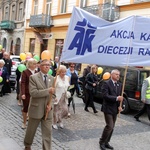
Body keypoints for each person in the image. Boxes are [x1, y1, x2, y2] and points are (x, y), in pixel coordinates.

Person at [24, 59, 55, 150]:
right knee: (31, 130)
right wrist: (48, 91)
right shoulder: (33, 78)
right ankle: (27, 145)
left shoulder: (52, 78)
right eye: (45, 65)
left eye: (48, 65)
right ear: (40, 66)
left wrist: (51, 104)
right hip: (36, 109)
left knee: (47, 133)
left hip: (48, 110)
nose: (47, 66)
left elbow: (53, 95)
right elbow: (33, 93)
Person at [99, 69, 123, 150]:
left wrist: (120, 106)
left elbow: (120, 97)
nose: (118, 76)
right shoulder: (106, 83)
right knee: (109, 126)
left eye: (119, 75)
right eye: (116, 74)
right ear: (112, 75)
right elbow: (105, 96)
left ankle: (106, 142)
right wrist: (116, 98)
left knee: (112, 127)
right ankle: (101, 142)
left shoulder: (119, 85)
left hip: (115, 109)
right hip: (107, 108)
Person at [21, 58, 37, 129]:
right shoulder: (25, 72)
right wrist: (23, 93)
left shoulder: (37, 72)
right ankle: (24, 122)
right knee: (26, 107)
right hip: (27, 93)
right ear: (30, 64)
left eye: (35, 64)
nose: (35, 65)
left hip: (35, 93)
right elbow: (23, 83)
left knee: (33, 108)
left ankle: (31, 122)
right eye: (34, 64)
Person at [52, 65, 70, 129]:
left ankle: (60, 120)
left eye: (65, 72)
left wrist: (68, 92)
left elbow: (68, 87)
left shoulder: (67, 77)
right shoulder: (55, 78)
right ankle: (54, 122)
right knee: (56, 110)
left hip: (64, 97)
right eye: (62, 72)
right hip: (57, 96)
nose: (64, 73)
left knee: (65, 110)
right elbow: (53, 89)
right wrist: (54, 96)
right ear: (59, 72)